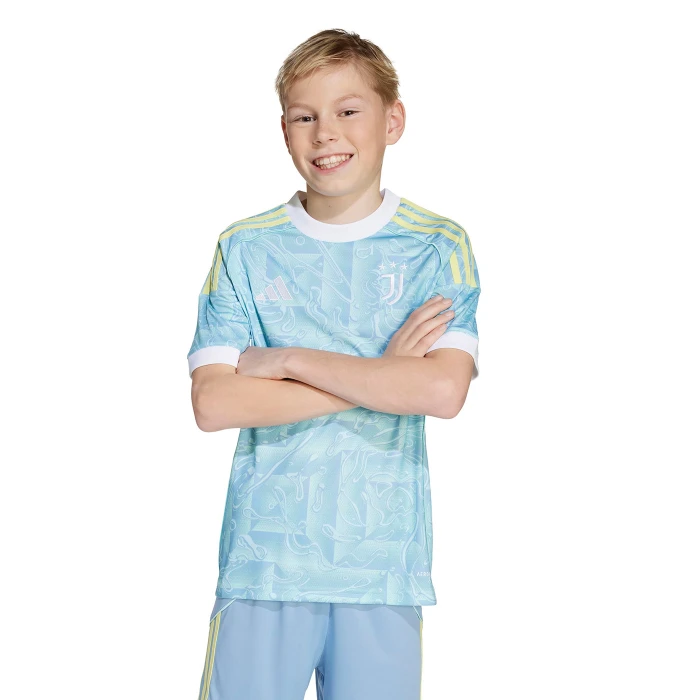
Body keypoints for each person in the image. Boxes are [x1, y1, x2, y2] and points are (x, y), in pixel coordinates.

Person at [187, 28, 481, 700]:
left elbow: (441, 390)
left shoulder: (437, 247)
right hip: (263, 566)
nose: (326, 134)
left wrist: (287, 360)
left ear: (392, 120)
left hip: (383, 570)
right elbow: (214, 403)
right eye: (304, 116)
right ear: (284, 130)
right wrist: (384, 376)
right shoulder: (245, 248)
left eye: (349, 111)